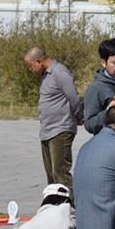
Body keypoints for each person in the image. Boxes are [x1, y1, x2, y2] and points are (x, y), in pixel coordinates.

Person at [24, 48, 84, 190]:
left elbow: (74, 98)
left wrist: (79, 116)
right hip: (47, 130)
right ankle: (54, 202)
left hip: (61, 129)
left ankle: (70, 202)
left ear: (39, 61)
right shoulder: (44, 75)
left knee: (60, 174)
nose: (30, 69)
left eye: (31, 65)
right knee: (51, 175)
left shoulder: (60, 73)